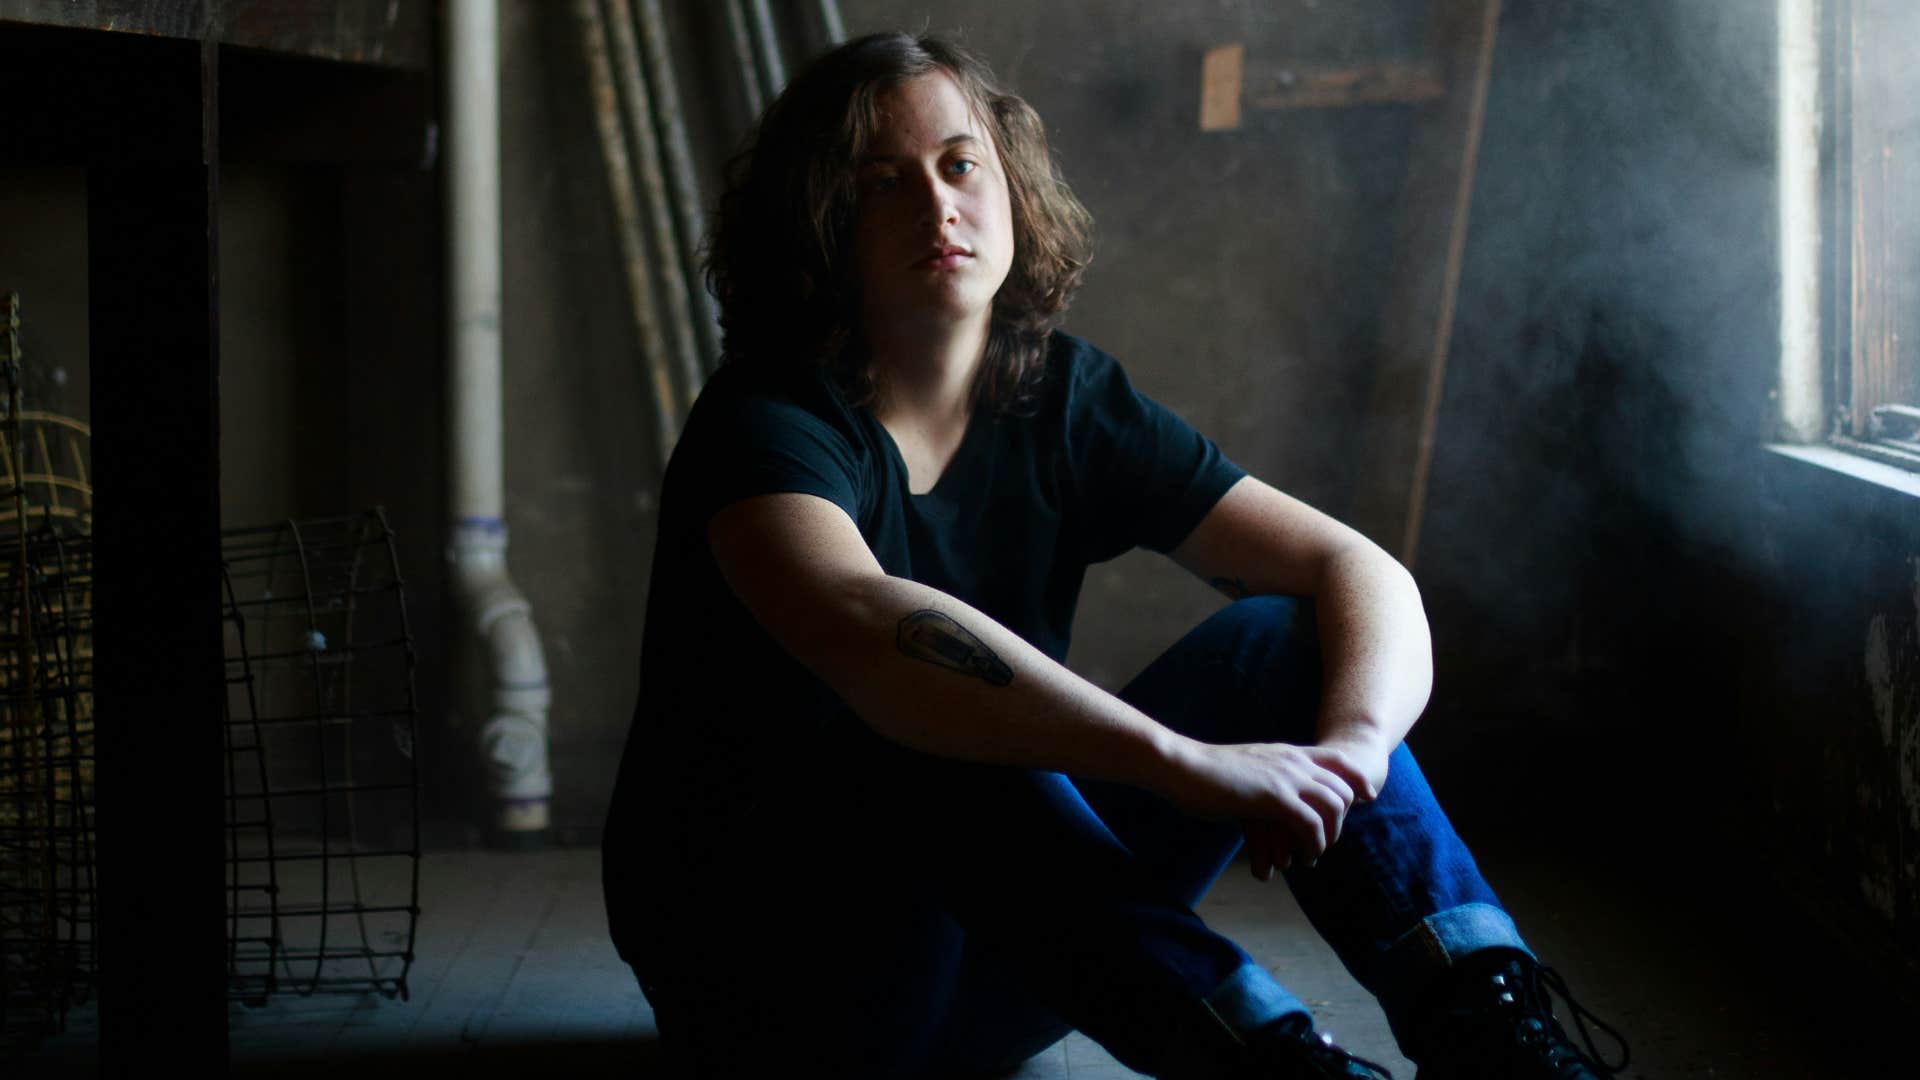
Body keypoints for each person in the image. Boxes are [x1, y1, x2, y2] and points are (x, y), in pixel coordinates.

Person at [602, 31, 1626, 1080]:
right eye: (879, 183)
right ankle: (1274, 1060)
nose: (936, 205)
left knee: (1283, 638)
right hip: (779, 987)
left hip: (1009, 950)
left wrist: (1353, 757)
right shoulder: (767, 422)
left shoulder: (1061, 397)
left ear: (1009, 184)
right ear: (821, 225)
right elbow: (866, 627)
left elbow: (1355, 572)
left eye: (960, 164)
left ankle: (1497, 1036)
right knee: (922, 723)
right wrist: (1181, 765)